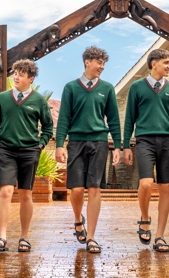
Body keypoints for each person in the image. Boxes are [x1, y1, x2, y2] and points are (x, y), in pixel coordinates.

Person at [55, 46, 122, 254]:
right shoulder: (71, 88)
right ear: (87, 62)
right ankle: (78, 220)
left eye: (103, 63)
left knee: (94, 188)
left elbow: (113, 119)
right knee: (76, 190)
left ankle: (92, 236)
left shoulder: (107, 88)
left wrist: (118, 146)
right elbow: (64, 117)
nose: (101, 67)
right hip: (76, 142)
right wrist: (59, 144)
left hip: (99, 142)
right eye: (99, 62)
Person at [0, 59, 53, 253]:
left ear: (30, 79)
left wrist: (40, 145)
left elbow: (48, 127)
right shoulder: (2, 98)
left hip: (29, 151)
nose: (15, 77)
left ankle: (24, 237)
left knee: (25, 193)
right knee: (5, 192)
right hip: (6, 150)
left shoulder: (39, 101)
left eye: (21, 74)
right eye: (15, 73)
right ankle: (2, 237)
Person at [123, 48, 169, 253]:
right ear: (153, 63)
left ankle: (160, 236)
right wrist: (125, 146)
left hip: (168, 142)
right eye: (166, 62)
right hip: (144, 140)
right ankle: (145, 218)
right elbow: (129, 118)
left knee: (165, 188)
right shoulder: (137, 87)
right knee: (146, 183)